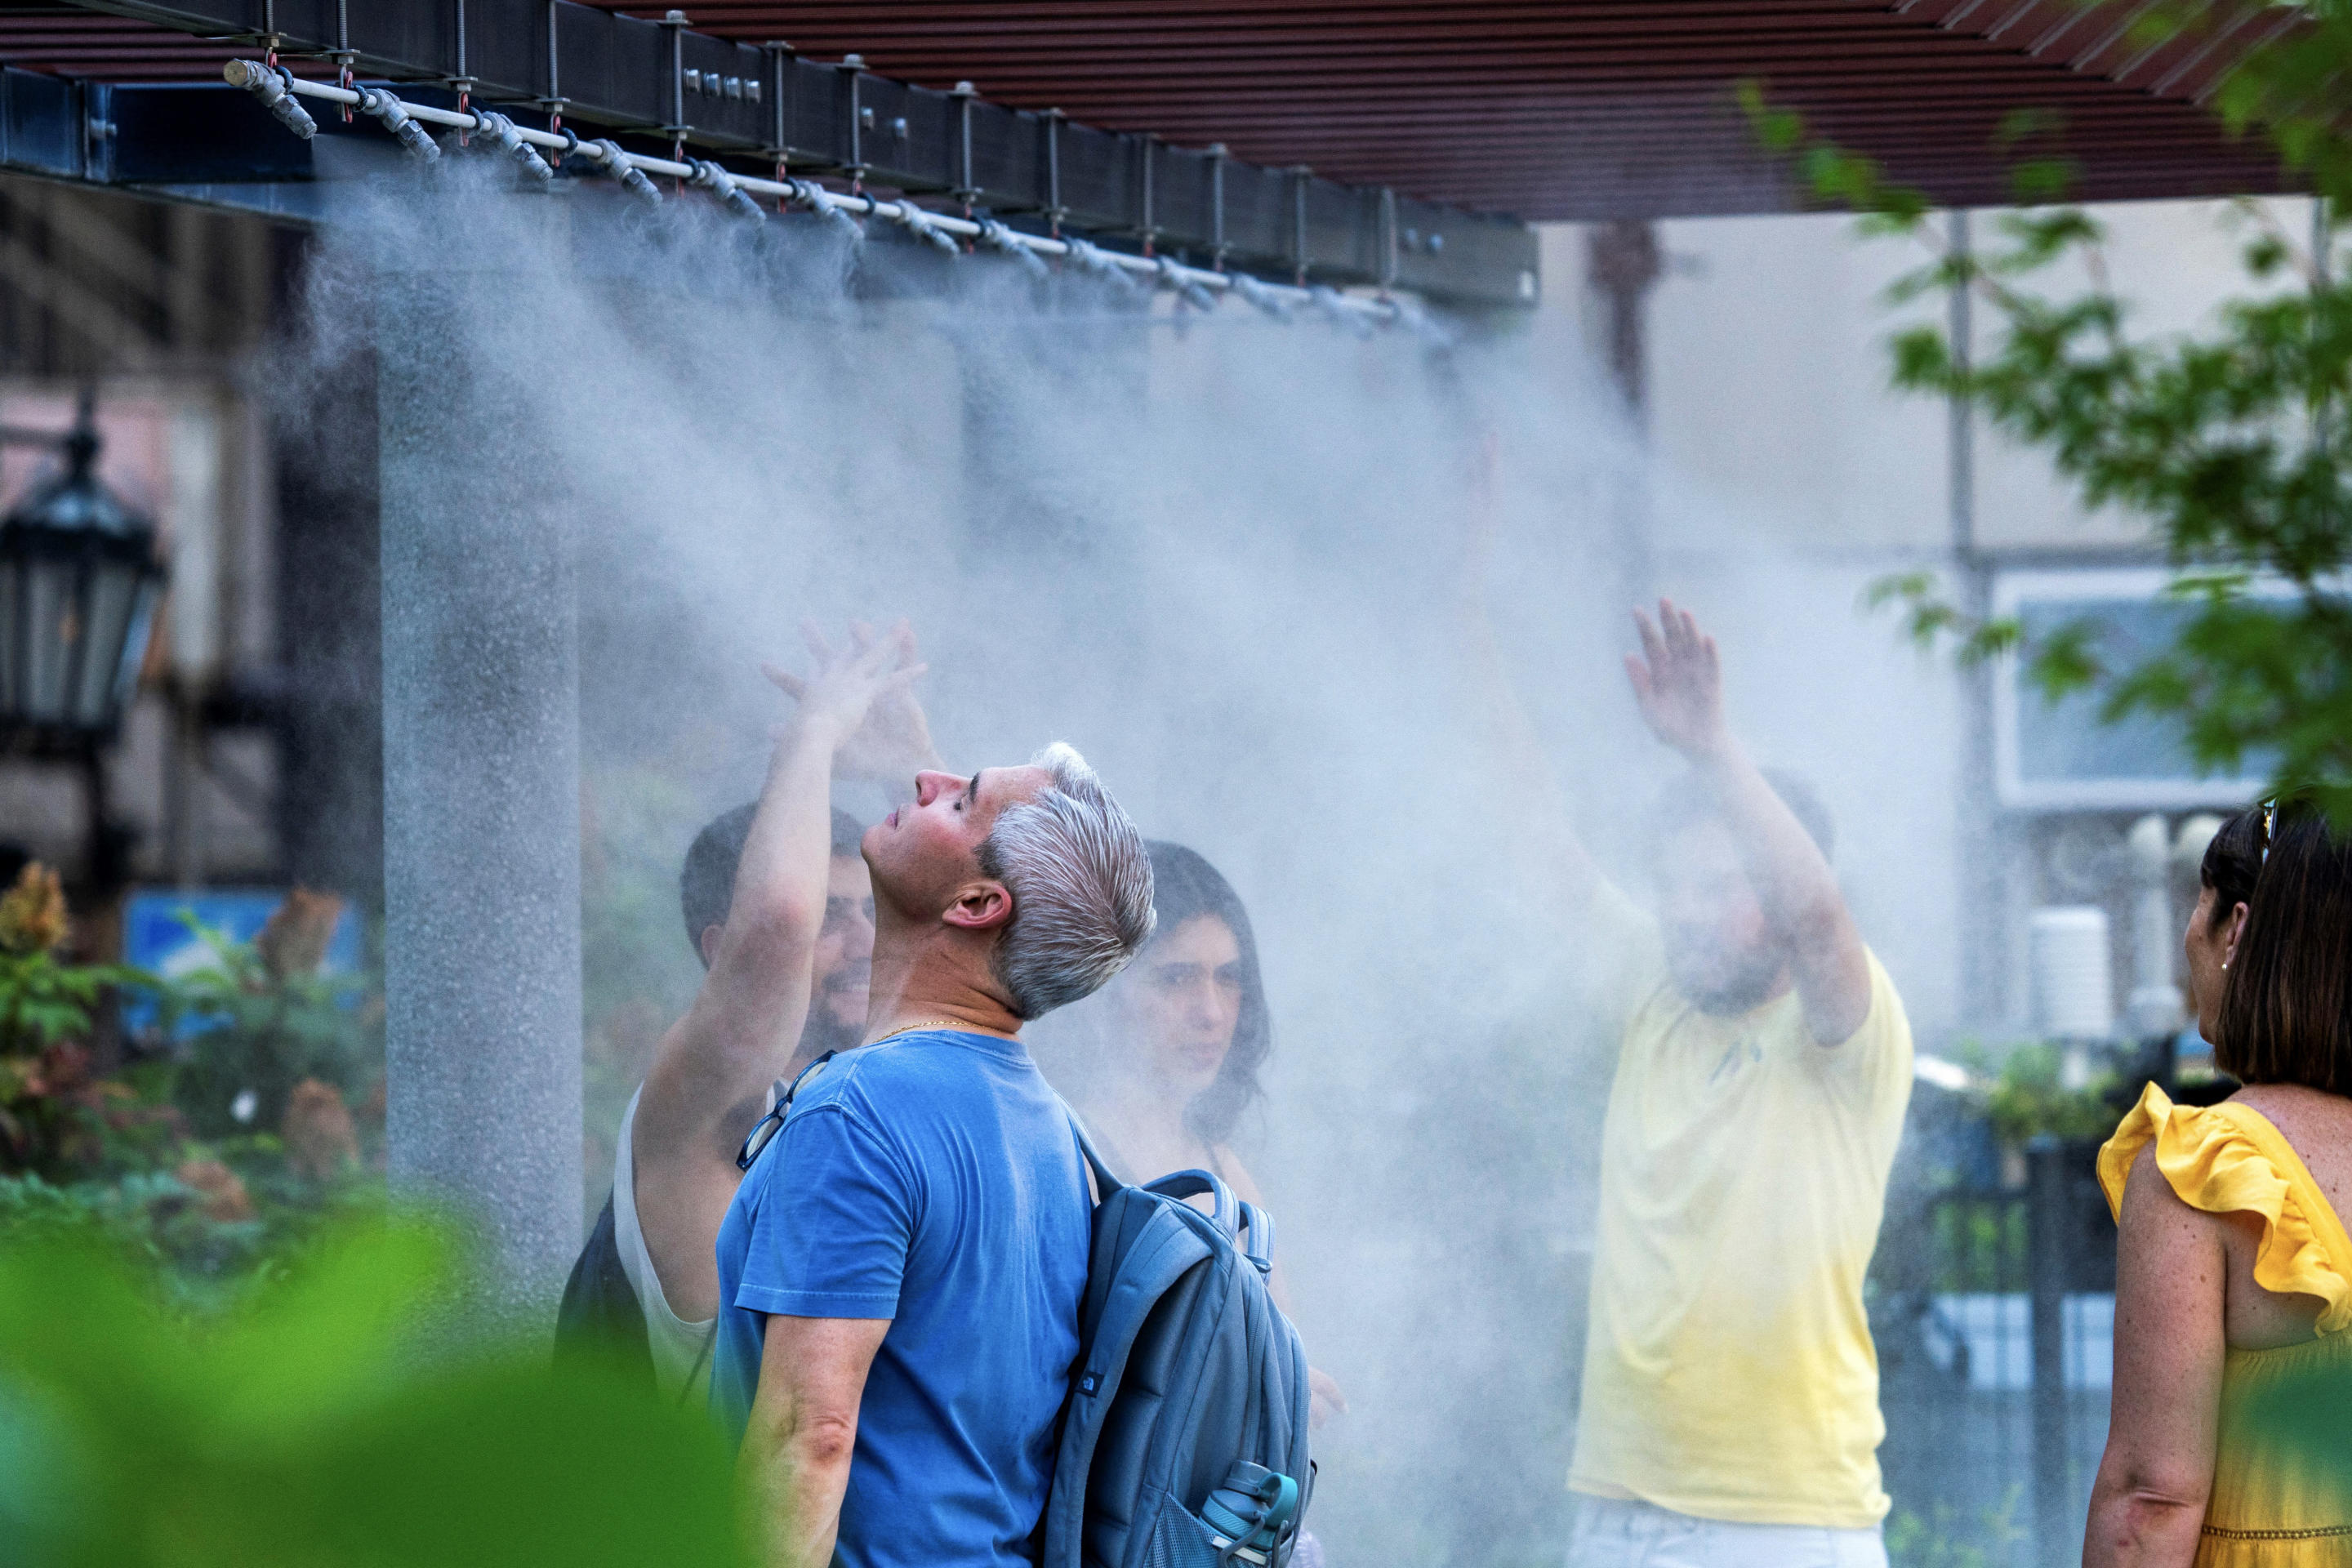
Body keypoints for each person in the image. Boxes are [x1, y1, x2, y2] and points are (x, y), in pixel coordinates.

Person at [1467, 577, 1914, 1562]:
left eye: (1720, 887)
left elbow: (1820, 920)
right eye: (1674, 886)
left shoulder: (1844, 1030)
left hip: (1788, 1523)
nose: (1686, 910)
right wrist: (1467, 601)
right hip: (1615, 1514)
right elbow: (1534, 839)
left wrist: (1715, 753)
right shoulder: (1653, 999)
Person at [715, 741, 1156, 1568]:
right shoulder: (1057, 1136)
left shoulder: (860, 1114)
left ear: (979, 902)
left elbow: (805, 1442)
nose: (927, 780)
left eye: (961, 802)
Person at [557, 621, 939, 1399]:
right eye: (833, 917)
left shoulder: (878, 1109)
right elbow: (776, 926)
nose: (867, 939)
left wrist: (918, 775)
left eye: (870, 910)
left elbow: (998, 950)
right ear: (717, 949)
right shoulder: (707, 1117)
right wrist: (816, 734)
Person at [2086, 802, 2352, 1568]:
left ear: (2237, 929)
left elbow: (2151, 1499)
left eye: (2194, 904)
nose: (2186, 936)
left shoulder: (2208, 1172)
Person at [1053, 838, 1347, 1429]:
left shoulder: (1222, 1164)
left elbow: (1283, 1355)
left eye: (1228, 978)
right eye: (1177, 979)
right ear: (1101, 995)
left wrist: (1291, 1392)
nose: (1212, 1012)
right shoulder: (1069, 1158)